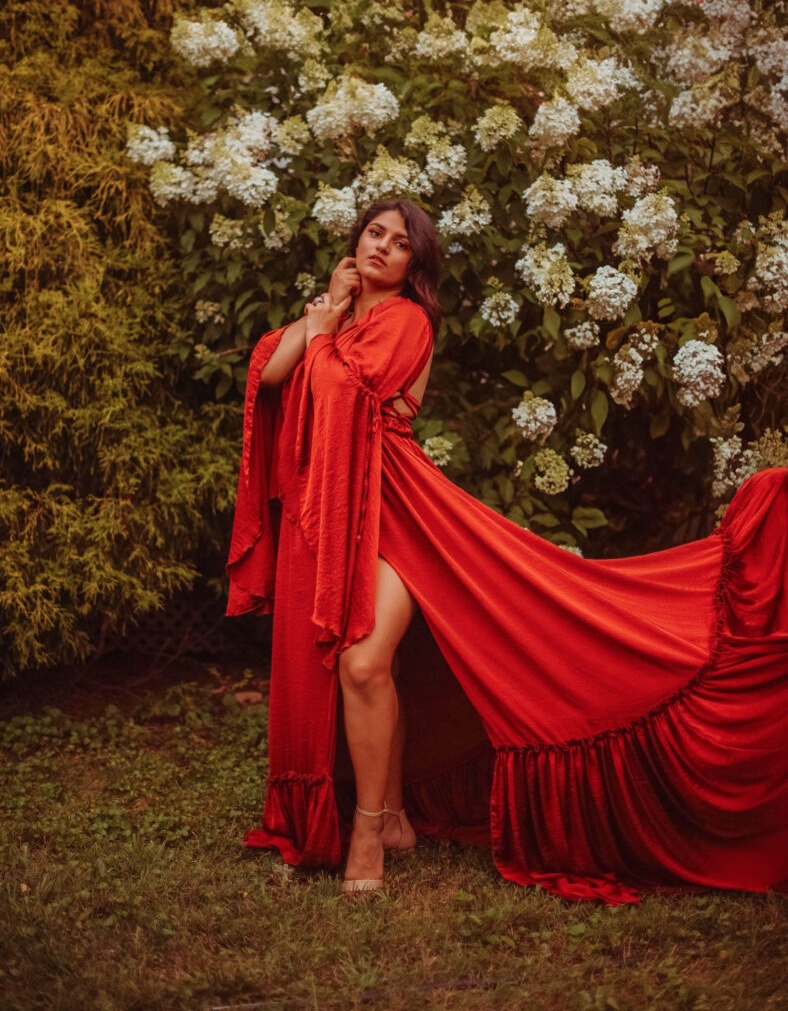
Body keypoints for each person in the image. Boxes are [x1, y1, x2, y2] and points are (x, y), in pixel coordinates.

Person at [227, 197, 788, 903]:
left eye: (401, 244)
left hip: (400, 511)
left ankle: (368, 831)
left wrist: (322, 334)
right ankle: (395, 817)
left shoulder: (407, 321)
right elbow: (269, 377)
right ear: (354, 242)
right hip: (339, 507)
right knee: (374, 663)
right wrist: (322, 318)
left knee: (363, 660)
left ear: (414, 266)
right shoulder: (336, 319)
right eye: (374, 233)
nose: (382, 247)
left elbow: (338, 386)